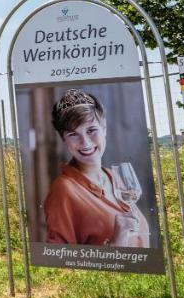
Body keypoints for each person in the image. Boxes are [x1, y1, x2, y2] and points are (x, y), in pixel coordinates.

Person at [42, 89, 150, 247]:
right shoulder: (63, 190)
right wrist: (116, 241)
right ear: (63, 139)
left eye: (91, 130)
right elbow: (60, 259)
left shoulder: (113, 176)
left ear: (104, 128)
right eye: (73, 134)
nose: (85, 143)